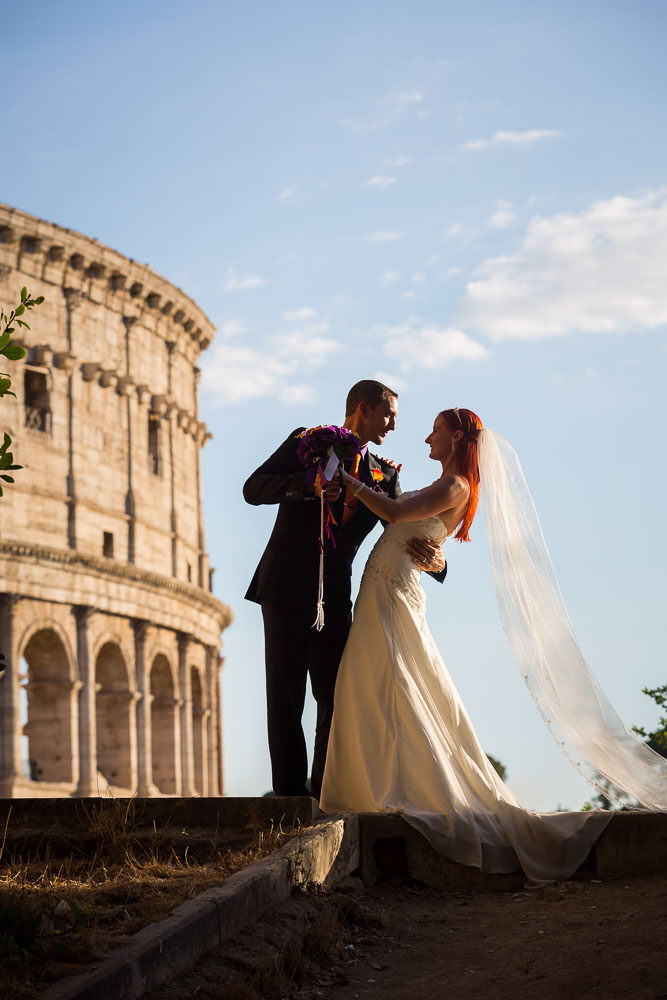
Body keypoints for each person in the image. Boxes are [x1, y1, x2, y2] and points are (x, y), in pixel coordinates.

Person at [320, 407, 667, 881]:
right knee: (373, 685)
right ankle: (371, 788)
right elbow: (405, 522)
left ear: (457, 437)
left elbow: (399, 514)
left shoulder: (456, 485)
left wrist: (350, 481)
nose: (426, 439)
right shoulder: (446, 484)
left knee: (392, 686)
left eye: (436, 432)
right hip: (385, 588)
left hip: (392, 594)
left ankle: (394, 790)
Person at [243, 380, 447, 799]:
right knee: (284, 700)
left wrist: (439, 564)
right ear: (362, 408)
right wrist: (308, 485)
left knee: (334, 702)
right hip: (283, 588)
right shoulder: (306, 443)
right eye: (387, 414)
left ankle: (322, 796)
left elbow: (400, 536)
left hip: (336, 599)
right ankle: (289, 803)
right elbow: (253, 489)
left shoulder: (386, 476)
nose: (392, 425)